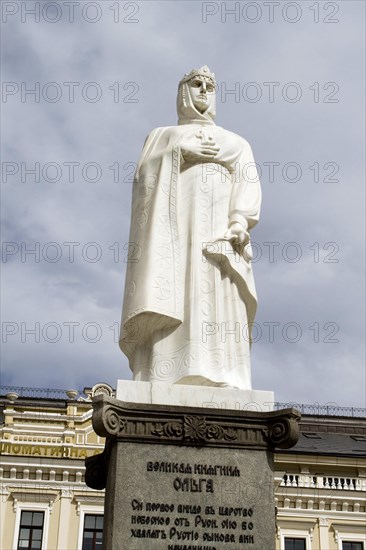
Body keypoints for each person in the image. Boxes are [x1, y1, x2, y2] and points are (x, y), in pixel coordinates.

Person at [119, 66, 261, 389]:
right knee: (178, 291)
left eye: (209, 85)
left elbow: (247, 179)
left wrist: (239, 221)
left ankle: (222, 374)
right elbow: (143, 180)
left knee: (216, 293)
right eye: (196, 84)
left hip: (218, 239)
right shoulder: (162, 136)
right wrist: (180, 152)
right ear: (183, 91)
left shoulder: (236, 143)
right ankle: (163, 372)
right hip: (175, 236)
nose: (203, 90)